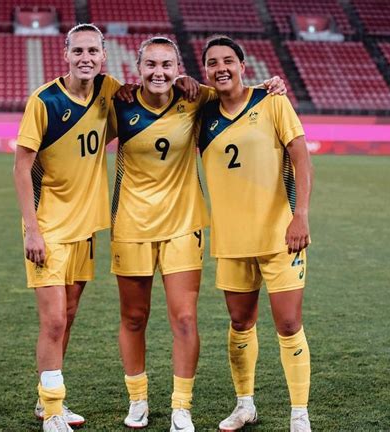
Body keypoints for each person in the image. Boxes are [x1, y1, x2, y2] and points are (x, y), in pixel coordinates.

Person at [108, 36, 287, 432]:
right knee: (134, 317)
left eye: (167, 65)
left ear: (178, 69)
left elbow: (237, 91)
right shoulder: (119, 104)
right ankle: (137, 400)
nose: (159, 72)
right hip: (131, 224)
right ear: (138, 69)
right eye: (151, 65)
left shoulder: (196, 96)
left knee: (186, 318)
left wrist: (273, 85)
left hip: (184, 225)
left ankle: (180, 407)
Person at [198, 36, 313, 432]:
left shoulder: (272, 101)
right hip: (231, 239)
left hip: (281, 234)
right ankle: (244, 404)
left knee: (287, 322)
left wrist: (300, 216)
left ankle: (299, 414)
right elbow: (173, 91)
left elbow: (302, 159)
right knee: (240, 322)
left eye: (228, 60)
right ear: (206, 72)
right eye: (212, 63)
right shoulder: (202, 114)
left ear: (244, 65)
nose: (221, 67)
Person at [13, 23, 122, 432]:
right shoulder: (44, 100)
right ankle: (54, 412)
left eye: (93, 51)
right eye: (78, 51)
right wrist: (32, 229)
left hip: (85, 228)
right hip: (49, 228)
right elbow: (22, 166)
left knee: (69, 316)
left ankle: (47, 400)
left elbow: (157, 88)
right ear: (65, 55)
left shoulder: (109, 91)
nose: (86, 58)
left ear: (103, 56)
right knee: (54, 321)